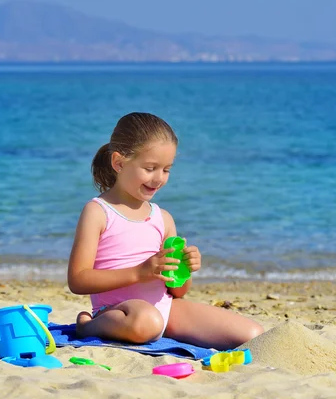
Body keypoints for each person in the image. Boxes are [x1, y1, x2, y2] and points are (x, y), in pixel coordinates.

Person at [67, 112, 264, 350]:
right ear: (119, 163)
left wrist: (185, 269)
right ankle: (88, 326)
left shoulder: (163, 219)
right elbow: (78, 280)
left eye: (166, 169)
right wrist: (140, 272)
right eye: (150, 168)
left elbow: (178, 290)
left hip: (166, 309)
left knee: (253, 334)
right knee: (147, 322)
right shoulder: (98, 212)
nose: (158, 178)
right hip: (120, 313)